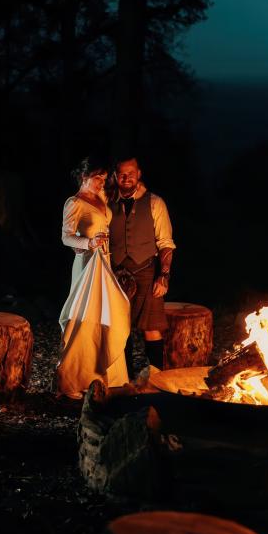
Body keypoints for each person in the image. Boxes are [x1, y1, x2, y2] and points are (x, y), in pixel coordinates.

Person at [56, 156, 130, 399]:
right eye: (98, 178)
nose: (102, 182)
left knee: (105, 313)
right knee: (84, 315)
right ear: (84, 176)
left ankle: (104, 376)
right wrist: (88, 242)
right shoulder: (74, 203)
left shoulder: (102, 198)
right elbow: (66, 237)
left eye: (104, 178)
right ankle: (73, 379)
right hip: (87, 264)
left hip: (104, 262)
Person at [109, 156, 175, 373]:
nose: (126, 178)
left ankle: (156, 379)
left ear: (139, 174)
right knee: (120, 329)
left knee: (152, 328)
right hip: (116, 273)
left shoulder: (155, 202)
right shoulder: (108, 203)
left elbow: (165, 243)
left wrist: (163, 276)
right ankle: (124, 379)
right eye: (122, 174)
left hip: (146, 270)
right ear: (116, 176)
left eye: (131, 173)